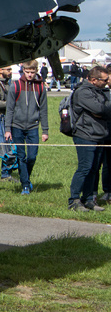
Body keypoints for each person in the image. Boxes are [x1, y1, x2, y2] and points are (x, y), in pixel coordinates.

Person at [69, 65, 111, 212]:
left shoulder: (100, 91)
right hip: (85, 135)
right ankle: (74, 200)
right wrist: (103, 110)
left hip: (99, 134)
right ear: (94, 80)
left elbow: (104, 109)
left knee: (93, 169)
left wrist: (103, 110)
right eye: (105, 80)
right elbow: (100, 109)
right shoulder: (83, 92)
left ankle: (88, 199)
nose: (107, 82)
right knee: (85, 168)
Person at [4, 60, 49, 196]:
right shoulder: (15, 86)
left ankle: (25, 178)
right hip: (17, 126)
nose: (29, 75)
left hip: (33, 126)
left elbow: (44, 110)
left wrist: (45, 130)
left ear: (36, 71)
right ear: (23, 71)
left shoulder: (40, 87)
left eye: (32, 72)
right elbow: (10, 109)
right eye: (27, 72)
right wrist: (7, 129)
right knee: (21, 156)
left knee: (32, 157)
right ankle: (25, 184)